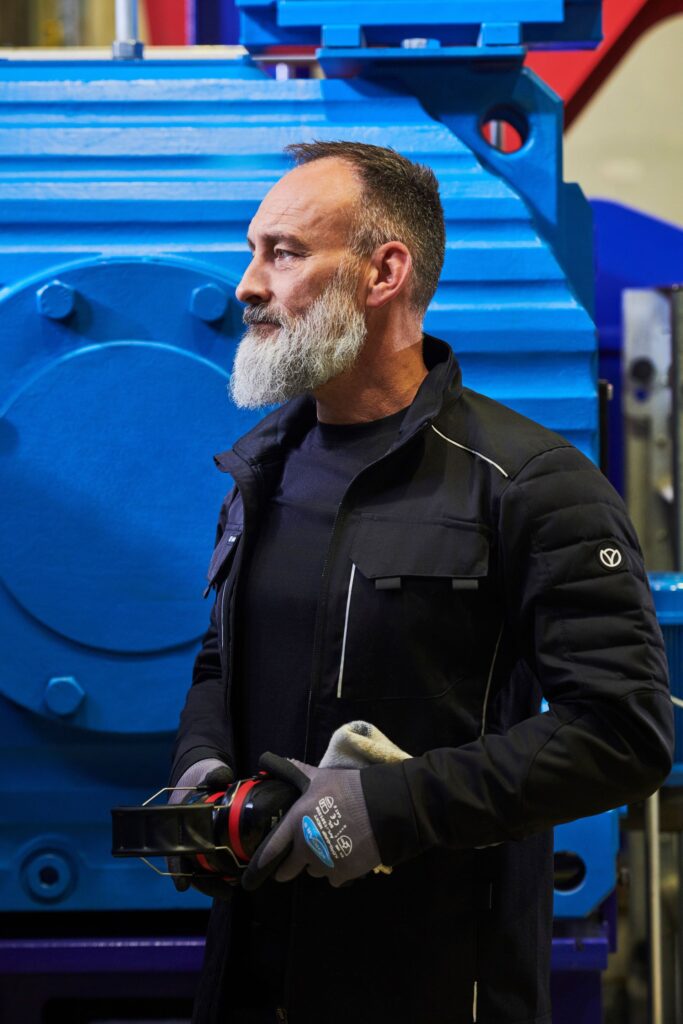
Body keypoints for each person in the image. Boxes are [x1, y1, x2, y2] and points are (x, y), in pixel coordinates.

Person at [169, 141, 674, 1024]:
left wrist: (387, 809)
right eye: (253, 252)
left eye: (283, 253)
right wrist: (201, 771)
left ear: (383, 272)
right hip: (250, 973)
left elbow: (621, 733)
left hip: (439, 981)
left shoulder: (526, 483)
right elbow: (223, 659)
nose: (246, 285)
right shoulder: (261, 471)